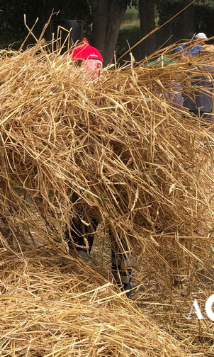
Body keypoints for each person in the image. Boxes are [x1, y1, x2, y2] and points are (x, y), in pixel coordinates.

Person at [67, 39, 135, 297]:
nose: (94, 70)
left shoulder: (115, 96)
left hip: (116, 178)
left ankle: (123, 282)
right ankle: (79, 273)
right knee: (82, 223)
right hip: (86, 178)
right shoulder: (69, 97)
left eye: (79, 65)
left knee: (121, 229)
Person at [182, 45, 214, 121]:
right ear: (210, 56)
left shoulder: (189, 69)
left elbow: (184, 88)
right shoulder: (213, 70)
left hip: (188, 107)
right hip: (204, 109)